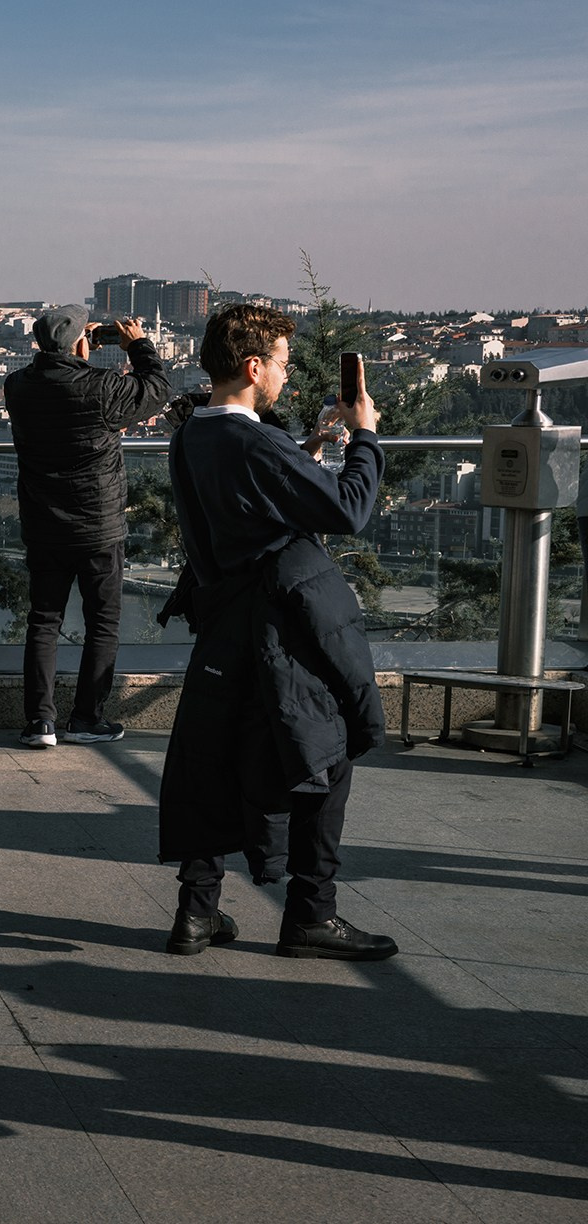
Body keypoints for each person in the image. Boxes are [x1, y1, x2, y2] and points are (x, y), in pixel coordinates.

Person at [158, 303, 396, 961]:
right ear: (254, 366)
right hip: (278, 630)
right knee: (327, 751)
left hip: (224, 624)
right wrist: (366, 436)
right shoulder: (253, 441)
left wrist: (303, 455)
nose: (287, 379)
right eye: (284, 366)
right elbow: (348, 510)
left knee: (216, 762)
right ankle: (311, 915)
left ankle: (196, 914)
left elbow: (240, 503)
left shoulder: (195, 436)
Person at [3, 305, 168, 749]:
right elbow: (157, 389)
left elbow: (55, 376)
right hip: (99, 525)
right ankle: (85, 719)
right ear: (81, 343)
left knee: (43, 621)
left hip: (42, 524)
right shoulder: (102, 388)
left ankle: (40, 723)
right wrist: (137, 346)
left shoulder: (16, 386)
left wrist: (77, 346)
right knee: (102, 623)